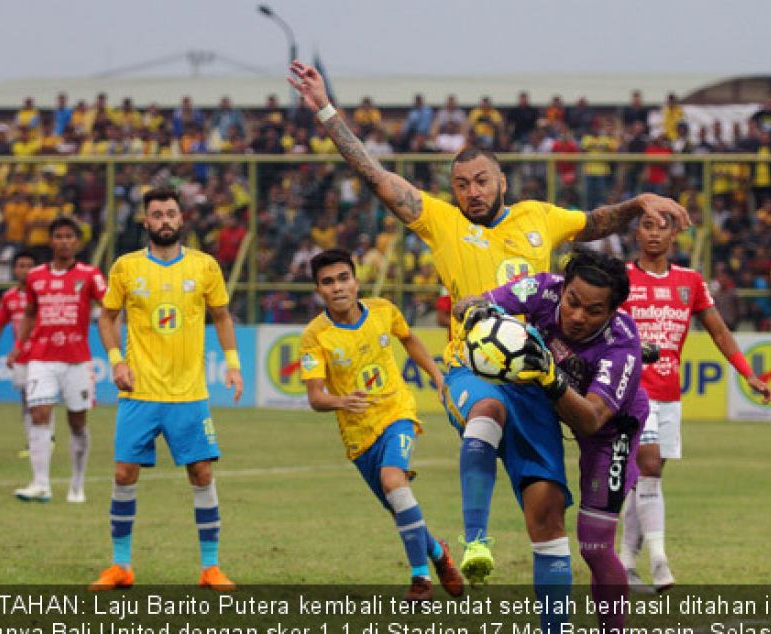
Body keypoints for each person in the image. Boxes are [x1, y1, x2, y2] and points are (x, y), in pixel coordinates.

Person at [288, 61, 689, 630]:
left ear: (501, 180)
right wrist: (326, 111)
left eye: (480, 181)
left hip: (537, 383)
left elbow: (596, 222)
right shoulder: (441, 222)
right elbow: (378, 177)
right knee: (486, 409)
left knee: (548, 514)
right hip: (469, 369)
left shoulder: (539, 218)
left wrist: (638, 202)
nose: (471, 192)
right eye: (460, 184)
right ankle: (475, 542)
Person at [455, 249, 650, 633]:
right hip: (555, 407)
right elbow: (470, 302)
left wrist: (549, 376)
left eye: (593, 311)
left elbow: (593, 419)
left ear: (613, 311)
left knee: (594, 544)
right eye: (573, 301)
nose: (577, 316)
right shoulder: (543, 290)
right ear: (564, 287)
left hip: (612, 430)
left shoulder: (622, 343)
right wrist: (477, 313)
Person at [90, 187, 243, 591]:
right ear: (145, 221)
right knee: (124, 473)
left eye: (170, 213)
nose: (164, 221)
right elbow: (106, 320)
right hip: (139, 392)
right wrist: (115, 362)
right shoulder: (125, 267)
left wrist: (233, 366)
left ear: (182, 218)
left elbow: (223, 317)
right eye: (156, 214)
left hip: (189, 394)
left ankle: (210, 567)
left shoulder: (204, 266)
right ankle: (121, 566)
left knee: (202, 472)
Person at [298, 249, 464, 601]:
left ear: (356, 282)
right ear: (319, 291)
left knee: (394, 480)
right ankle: (437, 552)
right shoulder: (315, 336)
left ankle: (421, 579)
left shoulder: (383, 310)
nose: (338, 287)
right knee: (398, 505)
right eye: (328, 282)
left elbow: (409, 339)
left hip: (396, 413)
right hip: (358, 435)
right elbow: (315, 396)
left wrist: (436, 375)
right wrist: (341, 401)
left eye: (344, 278)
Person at [619, 213, 771, 592]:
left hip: (670, 394)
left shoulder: (690, 282)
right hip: (631, 390)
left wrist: (747, 372)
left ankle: (623, 566)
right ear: (636, 232)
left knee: (645, 481)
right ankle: (659, 562)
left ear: (675, 233)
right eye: (647, 226)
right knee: (649, 468)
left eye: (662, 227)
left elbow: (718, 330)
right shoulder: (620, 279)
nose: (654, 234)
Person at [10, 217, 105, 504]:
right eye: (59, 236)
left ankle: (77, 483)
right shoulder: (36, 276)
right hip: (42, 357)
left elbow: (110, 306)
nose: (64, 241)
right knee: (39, 414)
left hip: (77, 359)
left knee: (77, 422)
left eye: (69, 236)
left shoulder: (90, 275)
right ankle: (41, 484)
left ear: (77, 242)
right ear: (51, 241)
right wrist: (19, 345)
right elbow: (29, 313)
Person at [0, 250, 38, 459]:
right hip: (21, 356)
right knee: (26, 398)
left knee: (39, 398)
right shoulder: (9, 297)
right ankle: (34, 441)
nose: (25, 270)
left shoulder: (43, 293)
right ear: (14, 269)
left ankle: (42, 438)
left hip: (42, 353)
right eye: (21, 265)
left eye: (29, 265)